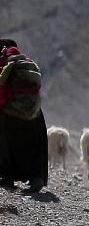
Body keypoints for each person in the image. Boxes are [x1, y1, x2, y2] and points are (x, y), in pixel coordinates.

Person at [0, 37, 53, 200]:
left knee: (4, 144)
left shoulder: (4, 63)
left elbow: (2, 92)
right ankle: (37, 177)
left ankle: (7, 178)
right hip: (35, 114)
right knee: (34, 144)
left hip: (11, 114)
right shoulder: (28, 62)